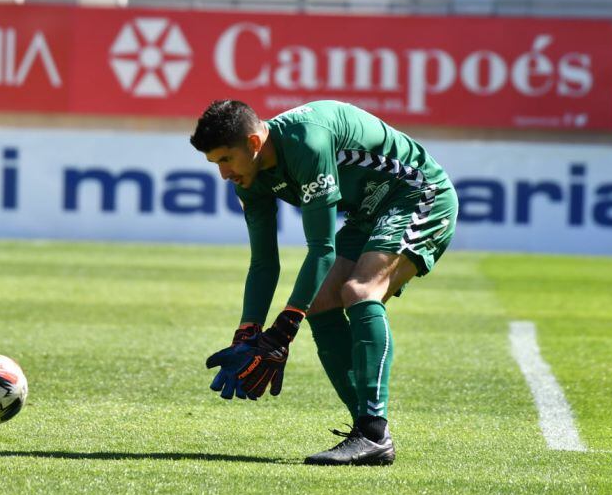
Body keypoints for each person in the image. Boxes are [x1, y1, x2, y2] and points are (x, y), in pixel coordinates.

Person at [189, 100, 459, 466]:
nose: (224, 174)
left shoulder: (307, 144)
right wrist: (248, 332)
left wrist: (282, 332)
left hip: (417, 193)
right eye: (215, 163)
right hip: (369, 211)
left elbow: (321, 249)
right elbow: (264, 263)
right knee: (321, 303)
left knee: (360, 290)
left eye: (226, 159)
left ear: (253, 143)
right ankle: (367, 433)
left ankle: (373, 432)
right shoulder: (249, 178)